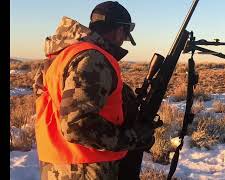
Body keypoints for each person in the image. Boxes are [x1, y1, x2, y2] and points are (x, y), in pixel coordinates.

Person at [33, 1, 155, 179]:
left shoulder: (62, 55)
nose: (122, 41)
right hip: (84, 168)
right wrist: (131, 138)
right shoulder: (92, 58)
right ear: (120, 31)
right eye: (125, 35)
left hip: (60, 165)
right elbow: (76, 125)